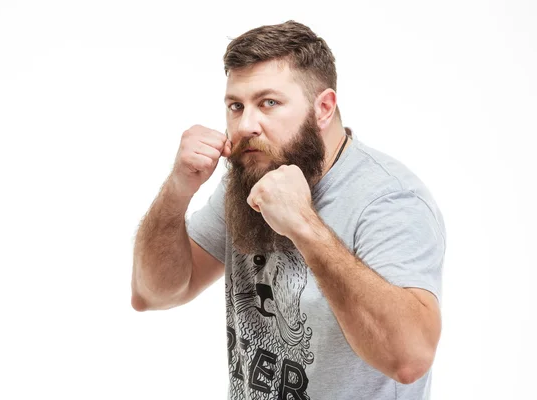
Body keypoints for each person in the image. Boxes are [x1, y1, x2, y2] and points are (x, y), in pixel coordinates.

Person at [131, 20, 446, 400]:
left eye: (269, 103)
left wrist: (304, 225)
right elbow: (153, 293)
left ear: (324, 108)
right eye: (236, 106)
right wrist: (178, 190)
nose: (246, 125)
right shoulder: (249, 178)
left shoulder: (389, 200)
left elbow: (409, 359)